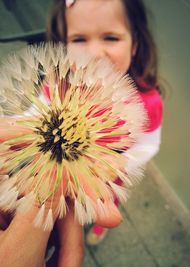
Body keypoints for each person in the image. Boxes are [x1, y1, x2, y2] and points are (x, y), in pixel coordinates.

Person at [46, 0, 163, 246]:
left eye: (110, 37)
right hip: (64, 175)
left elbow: (149, 145)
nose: (95, 53)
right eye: (79, 40)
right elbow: (37, 111)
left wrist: (118, 163)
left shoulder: (148, 103)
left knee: (108, 205)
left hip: (110, 180)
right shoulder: (59, 84)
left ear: (134, 46)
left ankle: (101, 224)